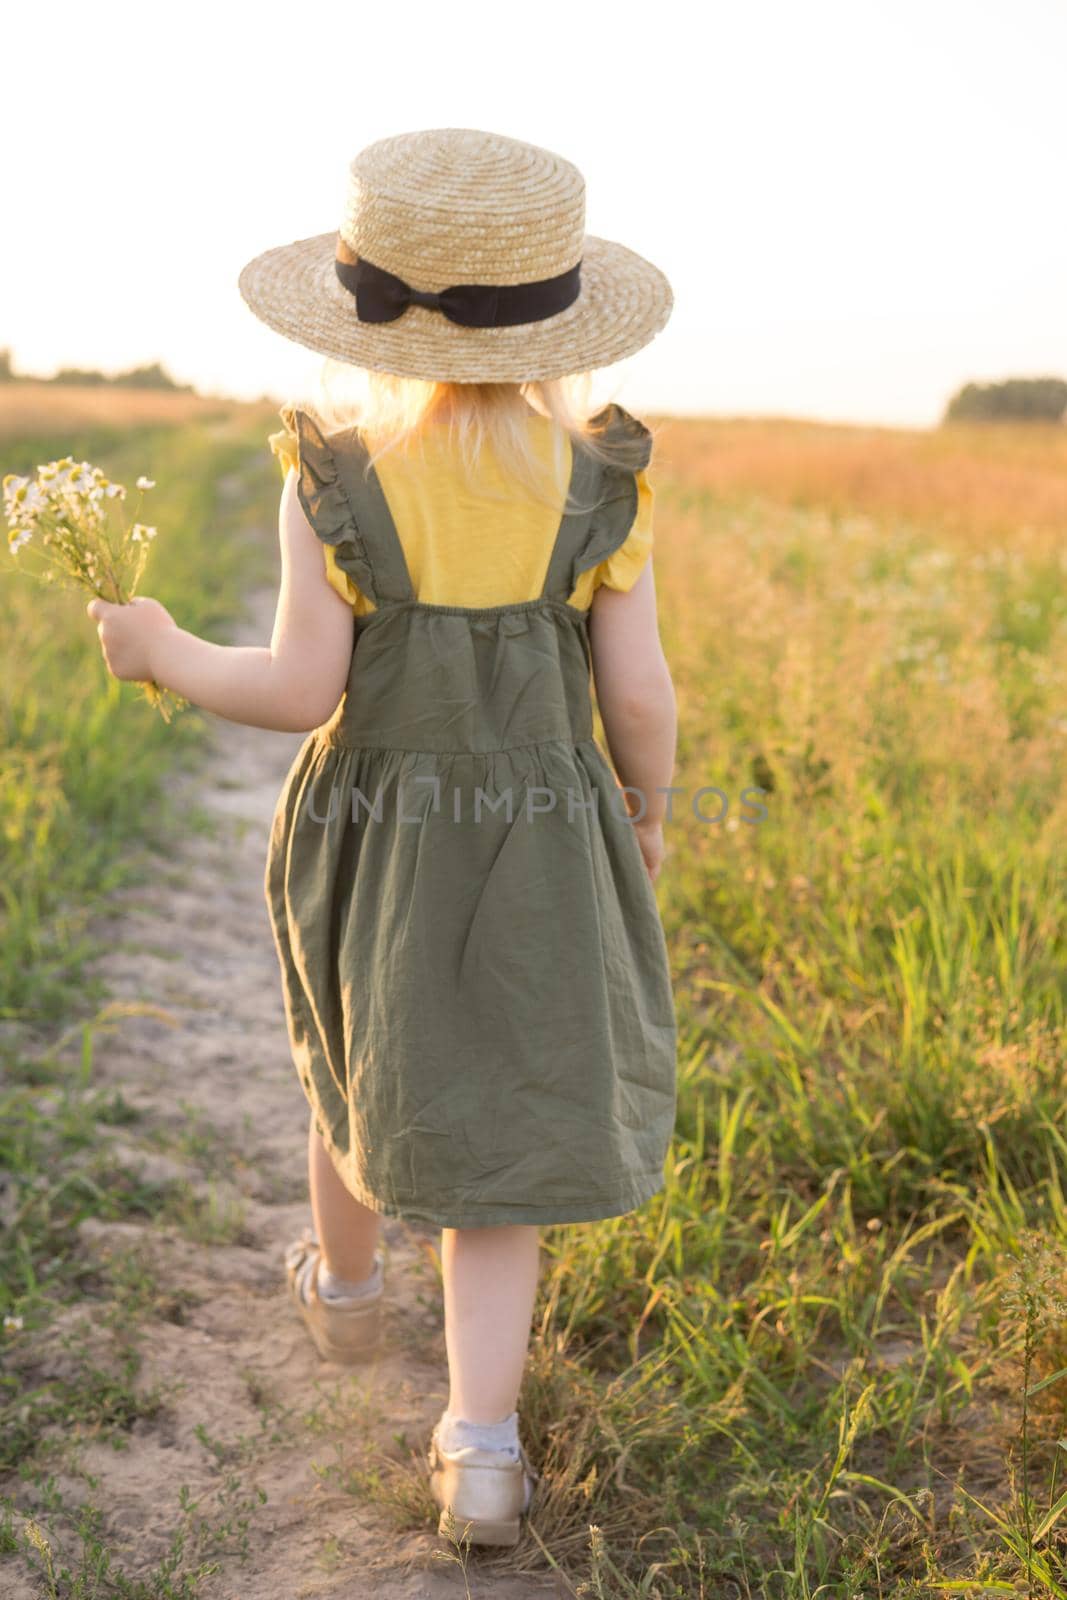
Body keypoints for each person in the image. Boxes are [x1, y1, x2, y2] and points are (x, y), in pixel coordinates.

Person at [86, 126, 679, 1550]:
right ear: (559, 321)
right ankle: (480, 1448)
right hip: (543, 836)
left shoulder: (339, 479)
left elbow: (301, 690)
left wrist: (164, 651)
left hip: (379, 833)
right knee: (509, 1133)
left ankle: (345, 1299)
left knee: (359, 1062)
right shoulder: (599, 483)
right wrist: (647, 814)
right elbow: (641, 691)